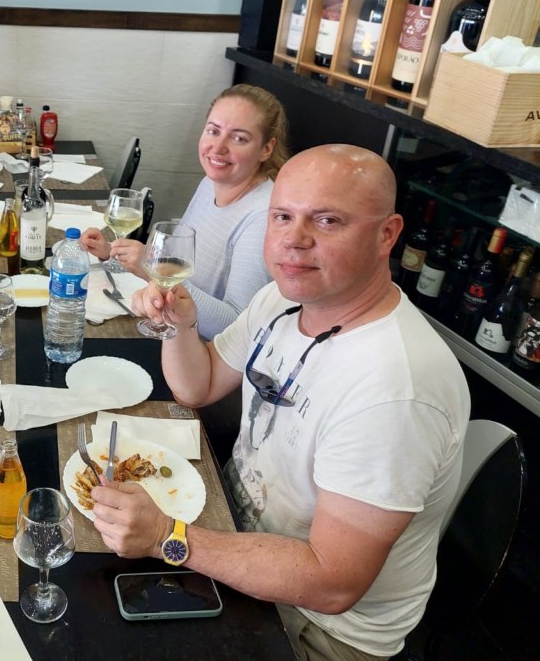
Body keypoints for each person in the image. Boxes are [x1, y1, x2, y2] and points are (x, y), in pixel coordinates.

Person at [96, 145, 470, 661]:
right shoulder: (284, 298)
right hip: (233, 533)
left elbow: (332, 583)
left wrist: (166, 536)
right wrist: (180, 325)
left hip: (316, 626)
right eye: (282, 217)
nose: (295, 240)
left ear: (387, 234)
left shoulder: (395, 389)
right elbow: (198, 386)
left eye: (327, 220)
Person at [81, 84, 289, 340]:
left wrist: (153, 270)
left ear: (266, 148)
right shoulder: (209, 183)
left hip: (203, 352)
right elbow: (174, 260)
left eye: (239, 138)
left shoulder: (262, 218)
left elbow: (236, 327)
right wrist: (114, 252)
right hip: (173, 329)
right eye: (213, 131)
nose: (218, 147)